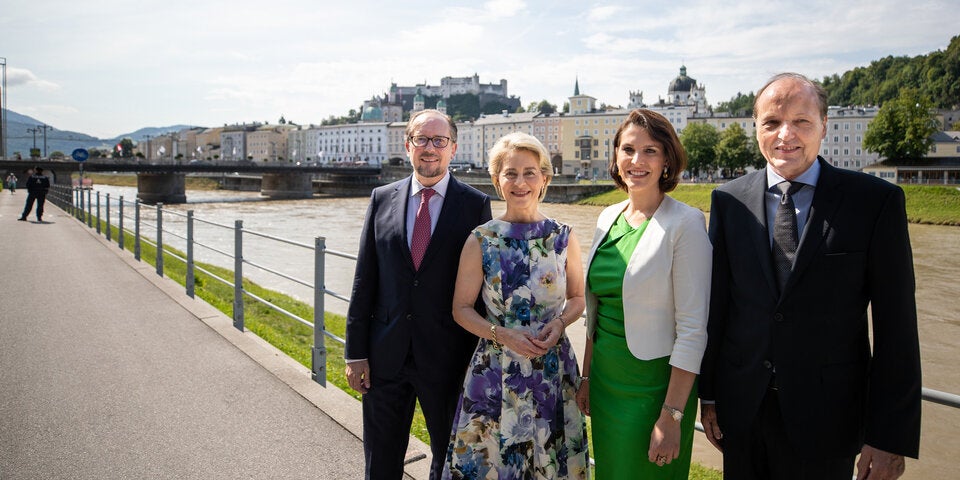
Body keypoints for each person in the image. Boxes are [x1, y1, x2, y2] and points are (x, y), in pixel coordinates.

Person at [699, 73, 922, 480]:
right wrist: (709, 395)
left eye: (801, 121)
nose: (786, 134)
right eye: (771, 122)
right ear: (755, 130)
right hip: (742, 412)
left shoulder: (875, 202)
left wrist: (889, 435)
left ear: (824, 126)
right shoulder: (729, 200)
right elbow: (719, 307)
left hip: (830, 418)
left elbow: (897, 327)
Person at [345, 109, 493, 480]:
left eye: (439, 141)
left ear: (452, 148)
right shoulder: (382, 198)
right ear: (408, 145)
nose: (430, 148)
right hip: (384, 356)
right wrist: (356, 353)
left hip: (447, 357)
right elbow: (366, 279)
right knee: (380, 461)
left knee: (448, 460)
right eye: (422, 140)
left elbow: (480, 292)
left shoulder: (475, 204)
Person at [443, 132, 589, 479]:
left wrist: (561, 324)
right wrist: (501, 333)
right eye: (510, 173)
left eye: (529, 172)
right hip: (495, 370)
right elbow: (461, 309)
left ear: (544, 179)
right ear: (497, 180)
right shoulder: (481, 240)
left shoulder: (563, 237)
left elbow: (578, 298)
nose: (520, 182)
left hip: (551, 368)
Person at [574, 109, 712, 478]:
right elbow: (596, 310)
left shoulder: (686, 223)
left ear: (667, 158)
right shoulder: (607, 217)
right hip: (605, 382)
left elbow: (693, 329)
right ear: (616, 156)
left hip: (653, 390)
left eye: (650, 151)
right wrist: (586, 377)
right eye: (628, 149)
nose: (637, 161)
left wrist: (672, 416)